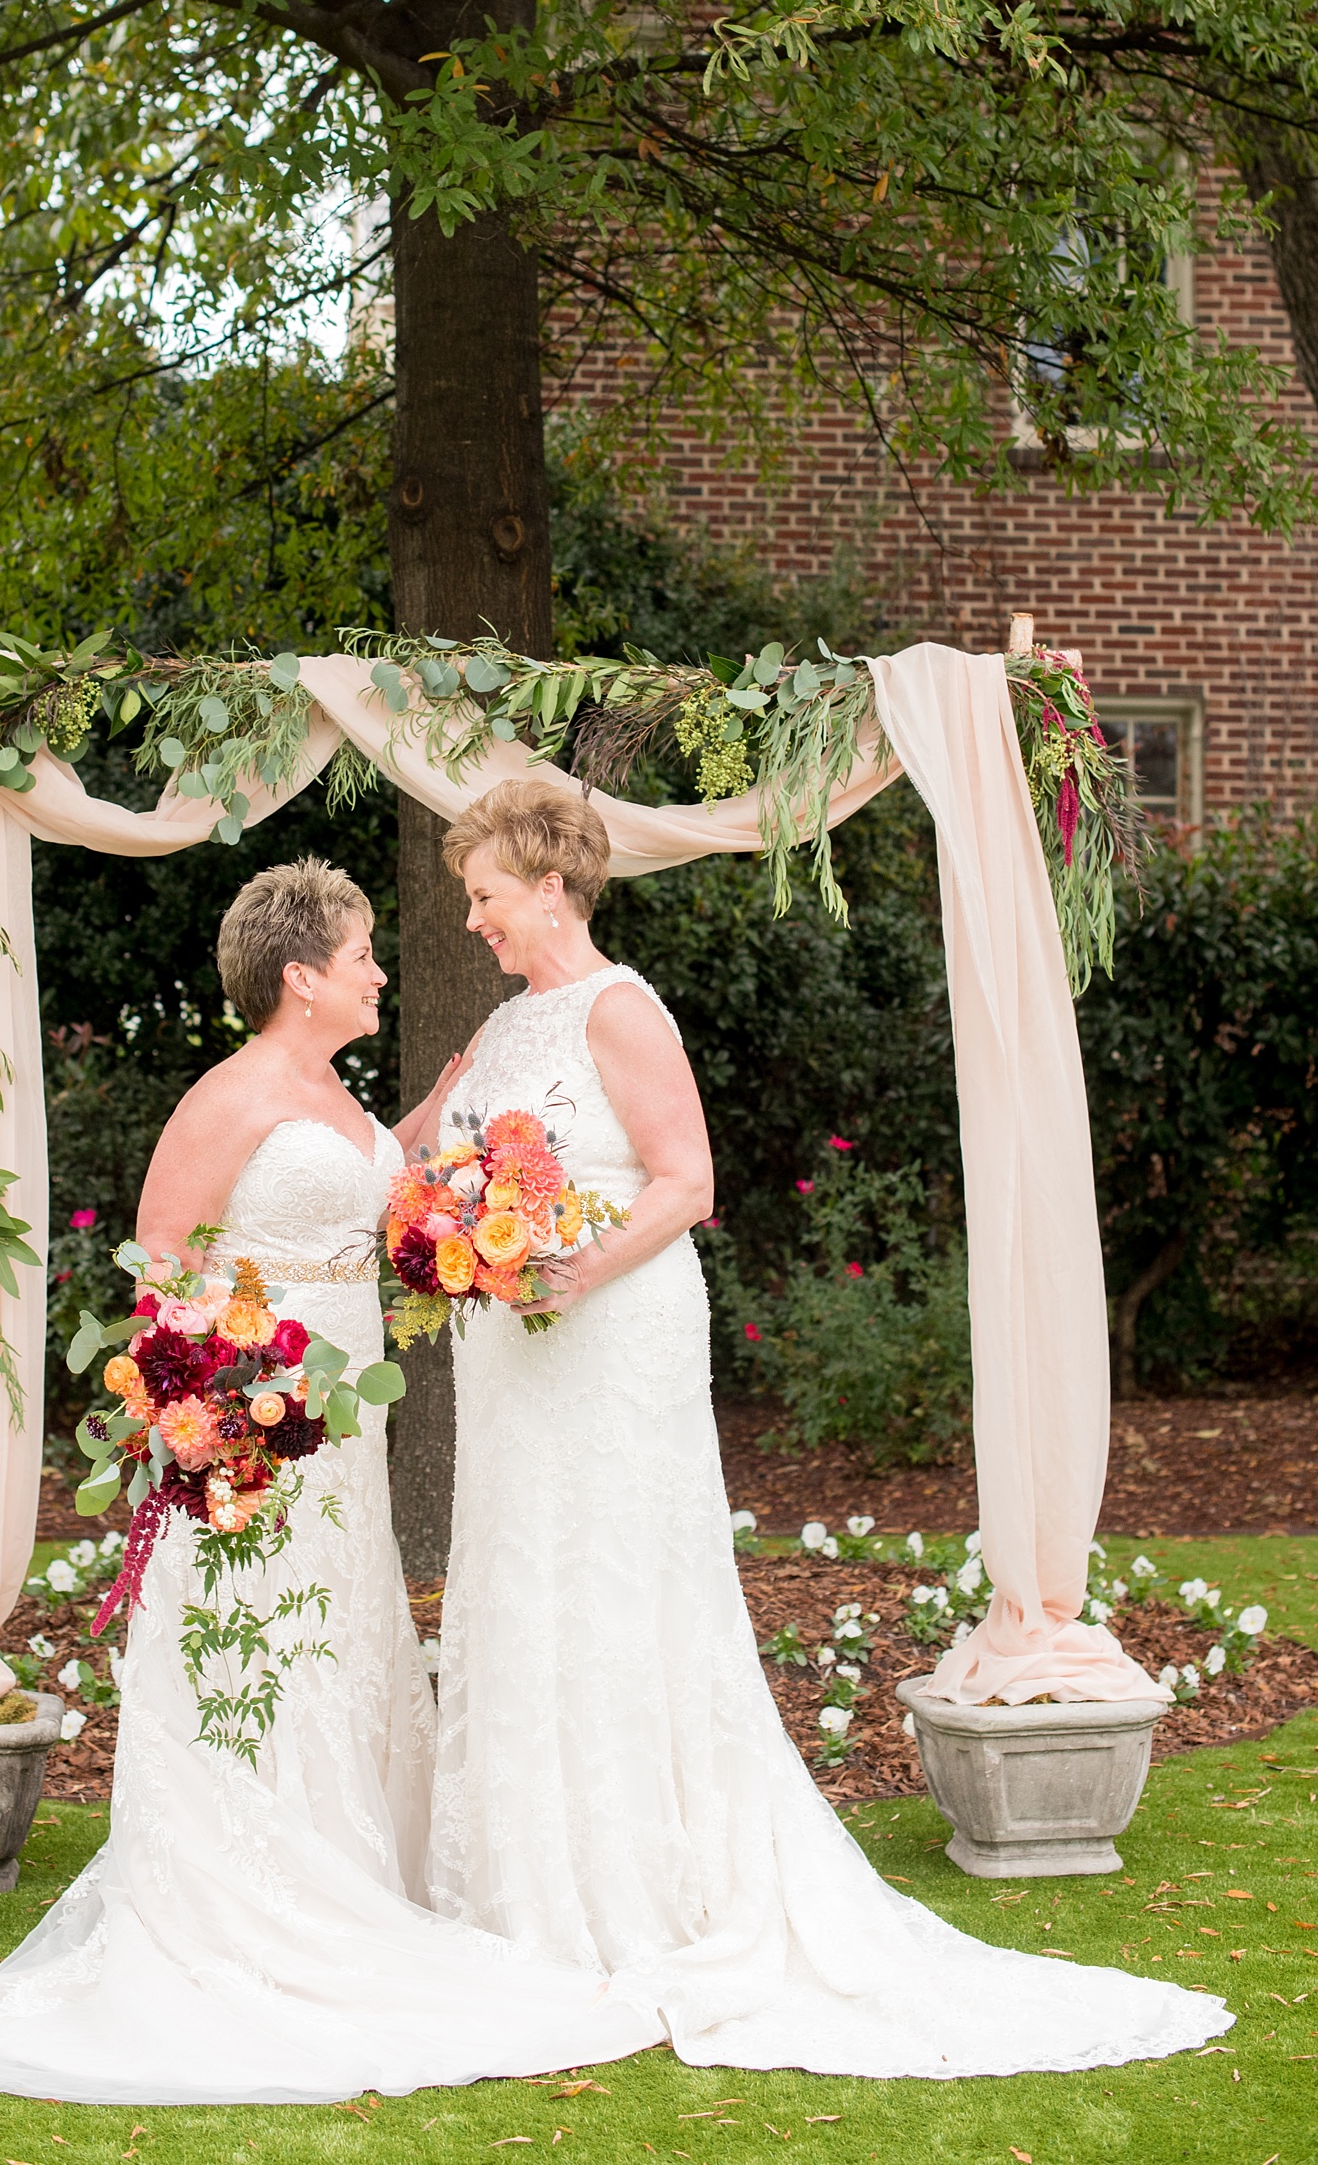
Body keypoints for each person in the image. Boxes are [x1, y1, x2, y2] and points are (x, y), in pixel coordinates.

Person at [418, 776, 1231, 2078]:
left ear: (551, 885)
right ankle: (524, 1873)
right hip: (514, 1360)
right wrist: (442, 1221)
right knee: (524, 1587)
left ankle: (651, 1881)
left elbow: (687, 1182)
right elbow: (424, 1163)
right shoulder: (504, 1028)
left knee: (622, 1588)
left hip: (610, 1333)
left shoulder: (620, 1011)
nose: (475, 921)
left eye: (485, 896)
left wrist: (567, 1268)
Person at [0, 856, 652, 2105]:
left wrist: (429, 1126)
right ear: (302, 976)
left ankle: (345, 1875)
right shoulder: (226, 1095)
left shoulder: (330, 1091)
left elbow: (347, 1198)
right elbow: (161, 1263)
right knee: (256, 1653)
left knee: (342, 1649)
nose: (379, 970)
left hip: (339, 1437)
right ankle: (245, 1894)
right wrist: (217, 1406)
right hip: (256, 1438)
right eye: (360, 957)